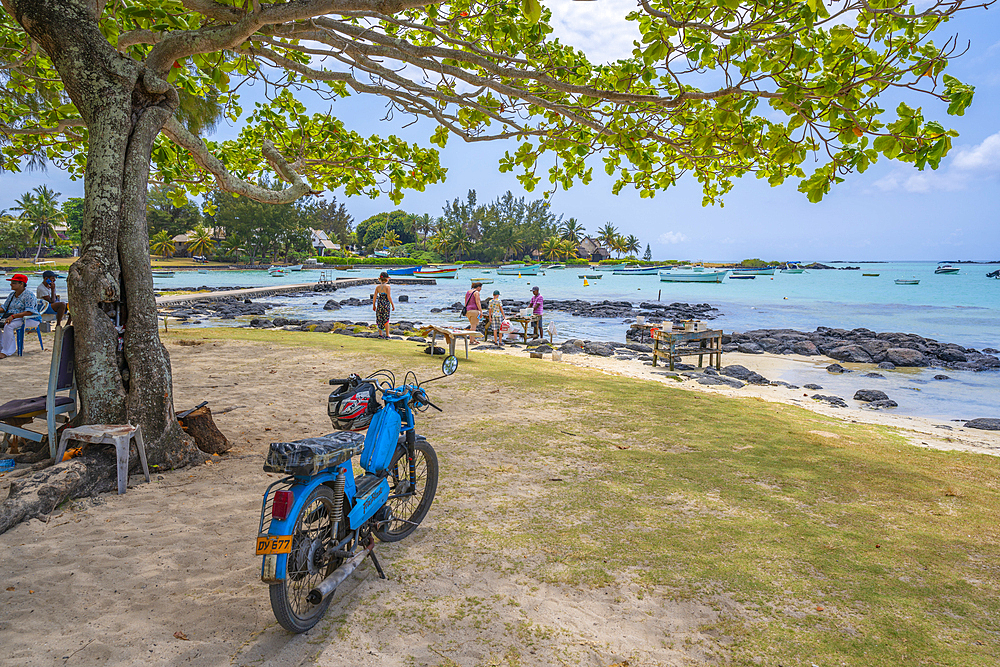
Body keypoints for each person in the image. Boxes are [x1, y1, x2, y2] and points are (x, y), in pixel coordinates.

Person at [1, 274, 41, 359]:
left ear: (21, 284)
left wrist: (13, 316)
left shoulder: (29, 295)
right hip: (13, 317)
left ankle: (6, 352)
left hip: (30, 319)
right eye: (11, 282)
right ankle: (2, 347)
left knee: (8, 326)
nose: (11, 284)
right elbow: (4, 308)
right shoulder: (12, 295)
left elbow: (29, 312)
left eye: (14, 283)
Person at [372, 272, 394, 339]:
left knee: (380, 318)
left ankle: (380, 334)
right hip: (386, 304)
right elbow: (389, 297)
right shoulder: (388, 287)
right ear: (386, 279)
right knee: (386, 319)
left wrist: (373, 305)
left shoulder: (377, 287)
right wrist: (392, 305)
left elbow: (375, 296)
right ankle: (387, 335)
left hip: (379, 303)